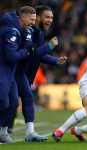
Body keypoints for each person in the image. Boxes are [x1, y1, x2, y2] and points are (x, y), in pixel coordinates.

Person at [8, 5, 67, 142]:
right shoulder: (30, 31)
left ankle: (21, 132)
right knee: (12, 103)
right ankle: (11, 131)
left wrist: (55, 61)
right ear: (38, 18)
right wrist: (49, 47)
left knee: (17, 102)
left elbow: (38, 55)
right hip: (17, 73)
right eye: (47, 17)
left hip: (26, 74)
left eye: (51, 17)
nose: (50, 20)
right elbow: (32, 54)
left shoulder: (40, 32)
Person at [0, 6, 36, 143]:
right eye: (31, 19)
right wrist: (27, 51)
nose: (33, 22)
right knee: (3, 102)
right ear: (22, 18)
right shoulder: (13, 31)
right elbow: (11, 56)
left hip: (10, 72)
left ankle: (2, 133)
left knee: (13, 103)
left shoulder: (20, 30)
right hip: (3, 70)